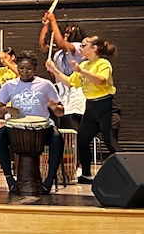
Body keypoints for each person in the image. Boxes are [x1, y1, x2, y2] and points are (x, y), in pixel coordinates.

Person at [46, 36, 121, 184]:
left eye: (84, 45)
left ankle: (128, 171)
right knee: (82, 139)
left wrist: (81, 71)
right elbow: (69, 82)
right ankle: (86, 174)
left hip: (106, 106)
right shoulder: (84, 64)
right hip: (91, 107)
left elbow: (101, 80)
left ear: (94, 48)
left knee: (110, 141)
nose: (80, 48)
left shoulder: (103, 63)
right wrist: (54, 70)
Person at [0, 50, 65, 194]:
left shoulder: (45, 84)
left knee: (57, 139)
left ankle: (49, 180)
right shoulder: (9, 85)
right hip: (16, 128)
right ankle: (9, 178)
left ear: (35, 68)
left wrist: (55, 107)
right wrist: (7, 109)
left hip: (43, 128)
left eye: (29, 68)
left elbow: (60, 112)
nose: (25, 72)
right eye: (21, 68)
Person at [39, 12, 87, 131]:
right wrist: (46, 25)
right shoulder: (59, 53)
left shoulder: (78, 48)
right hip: (62, 91)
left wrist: (53, 20)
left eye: (68, 33)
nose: (65, 34)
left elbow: (61, 43)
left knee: (72, 127)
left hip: (75, 91)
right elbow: (43, 46)